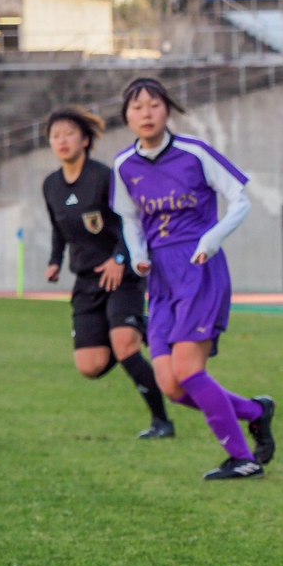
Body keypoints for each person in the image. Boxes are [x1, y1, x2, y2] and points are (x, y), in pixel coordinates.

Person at [111, 77, 276, 480]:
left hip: (200, 268)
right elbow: (129, 219)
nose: (146, 113)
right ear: (126, 117)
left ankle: (243, 459)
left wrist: (212, 239)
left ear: (167, 109)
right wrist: (137, 256)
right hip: (161, 278)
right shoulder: (123, 165)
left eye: (153, 105)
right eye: (137, 108)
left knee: (187, 370)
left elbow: (239, 199)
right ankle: (255, 411)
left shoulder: (194, 152)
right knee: (170, 384)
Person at [42, 105, 173, 440]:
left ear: (85, 139)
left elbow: (131, 221)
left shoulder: (104, 177)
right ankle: (133, 331)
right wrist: (55, 260)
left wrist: (119, 257)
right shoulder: (51, 185)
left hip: (122, 274)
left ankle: (162, 421)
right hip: (86, 280)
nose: (62, 140)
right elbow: (59, 228)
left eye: (69, 133)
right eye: (55, 136)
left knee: (125, 345)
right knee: (90, 366)